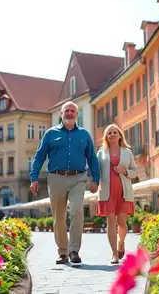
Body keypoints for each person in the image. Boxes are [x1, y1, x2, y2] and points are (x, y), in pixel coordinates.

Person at [30, 101, 100, 266]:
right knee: (59, 217)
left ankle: (74, 250)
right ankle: (63, 252)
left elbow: (92, 158)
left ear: (77, 114)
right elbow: (39, 156)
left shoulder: (84, 135)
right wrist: (34, 177)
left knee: (77, 210)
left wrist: (95, 179)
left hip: (78, 178)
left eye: (73, 111)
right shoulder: (50, 134)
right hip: (56, 178)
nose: (69, 113)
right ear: (61, 114)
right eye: (66, 111)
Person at [96, 124, 137, 264]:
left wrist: (124, 171)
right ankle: (114, 253)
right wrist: (93, 183)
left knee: (122, 223)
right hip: (107, 192)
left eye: (115, 132)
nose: (112, 134)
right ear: (106, 137)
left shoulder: (127, 152)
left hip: (124, 192)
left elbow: (135, 172)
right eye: (109, 133)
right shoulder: (101, 153)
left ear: (120, 135)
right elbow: (96, 172)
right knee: (111, 222)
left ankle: (121, 242)